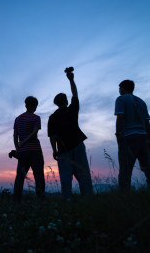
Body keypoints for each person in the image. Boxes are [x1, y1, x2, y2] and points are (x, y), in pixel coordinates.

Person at [47, 67, 93, 200]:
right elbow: (75, 94)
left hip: (63, 149)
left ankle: (67, 200)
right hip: (78, 144)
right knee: (83, 174)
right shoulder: (72, 109)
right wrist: (71, 80)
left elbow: (52, 137)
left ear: (56, 103)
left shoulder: (52, 117)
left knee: (65, 178)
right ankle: (88, 199)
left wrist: (54, 151)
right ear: (66, 101)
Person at [115, 80, 150, 191]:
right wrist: (149, 140)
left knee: (125, 169)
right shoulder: (141, 102)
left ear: (124, 88)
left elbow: (120, 117)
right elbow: (147, 123)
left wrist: (118, 135)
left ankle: (125, 196)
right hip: (143, 138)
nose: (119, 90)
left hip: (128, 138)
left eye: (120, 88)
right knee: (148, 169)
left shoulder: (121, 99)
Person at [13, 96, 45, 202]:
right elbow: (34, 132)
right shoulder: (36, 118)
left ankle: (17, 202)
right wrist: (24, 142)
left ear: (26, 105)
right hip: (35, 150)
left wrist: (18, 148)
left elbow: (15, 135)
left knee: (20, 178)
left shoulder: (18, 119)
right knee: (39, 176)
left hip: (22, 152)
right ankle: (41, 201)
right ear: (35, 106)